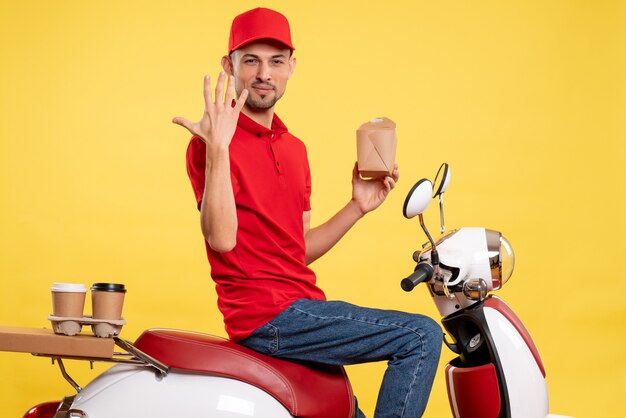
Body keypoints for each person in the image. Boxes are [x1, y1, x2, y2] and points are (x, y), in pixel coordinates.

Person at [172, 7, 442, 418]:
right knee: (419, 336)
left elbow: (296, 251)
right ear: (229, 65)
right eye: (251, 60)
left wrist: (357, 207)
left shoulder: (294, 148)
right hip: (266, 317)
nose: (264, 73)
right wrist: (220, 151)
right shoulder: (211, 145)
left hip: (302, 309)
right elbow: (221, 239)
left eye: (276, 61)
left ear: (291, 68)